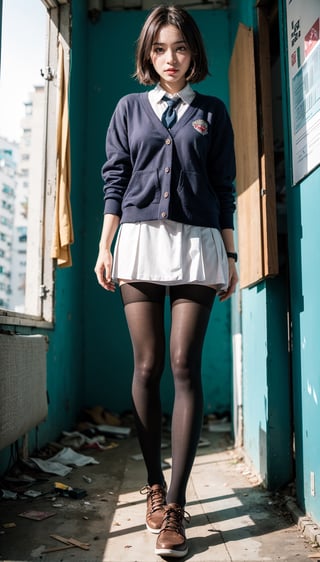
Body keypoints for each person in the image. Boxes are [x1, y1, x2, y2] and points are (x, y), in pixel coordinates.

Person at [94, 4, 238, 558]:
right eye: (160, 49)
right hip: (139, 241)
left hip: (199, 244)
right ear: (147, 55)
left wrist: (229, 253)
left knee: (183, 365)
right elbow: (115, 179)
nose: (170, 59)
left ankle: (176, 505)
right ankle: (153, 485)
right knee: (148, 366)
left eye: (179, 48)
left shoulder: (213, 111)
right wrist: (106, 245)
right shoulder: (130, 109)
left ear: (193, 52)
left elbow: (223, 186)